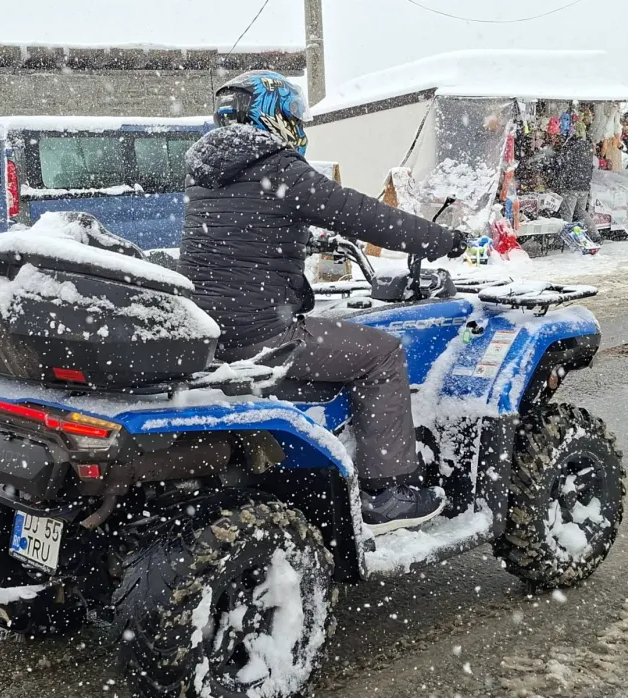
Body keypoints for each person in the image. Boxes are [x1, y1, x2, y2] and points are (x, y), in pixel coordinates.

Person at [179, 71, 468, 535]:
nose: (298, 125)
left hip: (214, 330)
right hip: (263, 334)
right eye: (293, 115)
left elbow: (243, 232)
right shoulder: (277, 168)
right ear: (270, 116)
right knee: (382, 353)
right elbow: (365, 215)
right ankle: (389, 490)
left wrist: (303, 238)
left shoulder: (208, 173)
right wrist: (441, 239)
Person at [551, 133, 600, 243]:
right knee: (581, 212)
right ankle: (594, 234)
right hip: (584, 187)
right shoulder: (587, 149)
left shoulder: (570, 149)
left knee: (567, 214)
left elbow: (565, 169)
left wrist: (559, 184)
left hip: (571, 187)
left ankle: (563, 240)